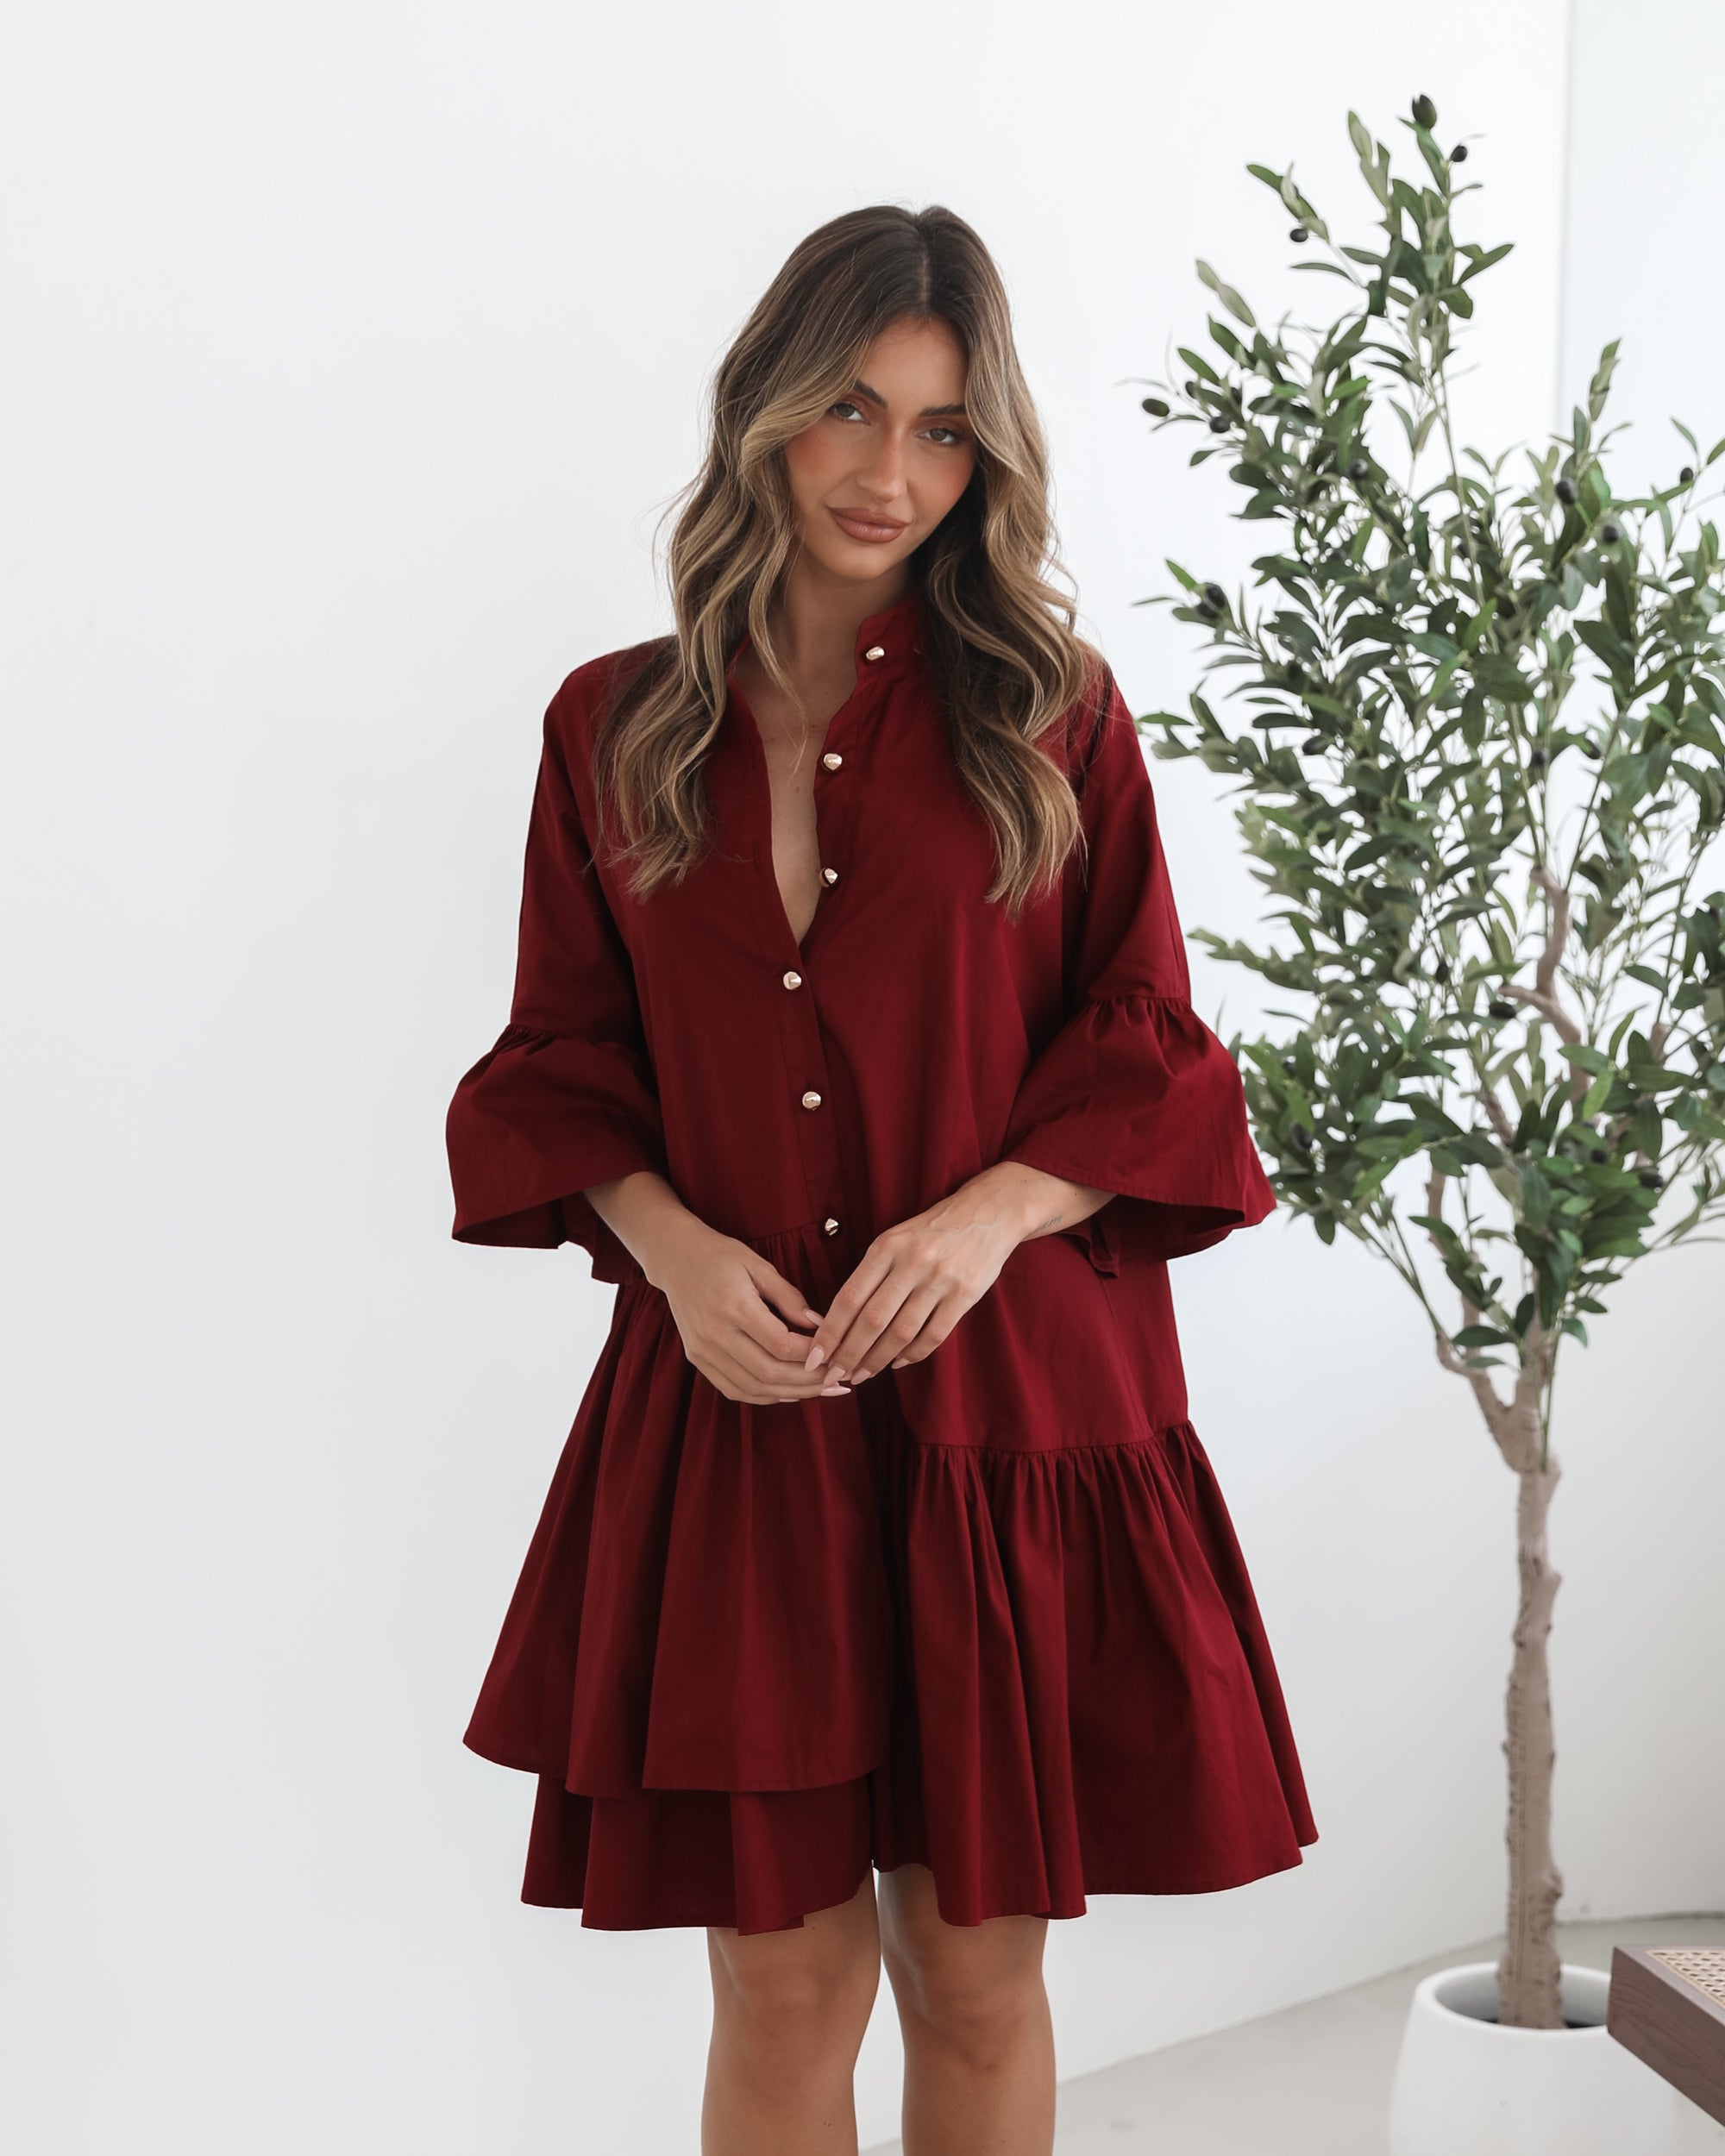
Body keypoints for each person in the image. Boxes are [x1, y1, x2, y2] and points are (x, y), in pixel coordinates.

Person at [445, 202, 1316, 2156]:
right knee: (775, 1974)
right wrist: (669, 1253)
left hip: (1006, 1413)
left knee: (977, 1967)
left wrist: (987, 1209)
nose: (889, 472)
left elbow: (1148, 1043)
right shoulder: (616, 725)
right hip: (741, 1414)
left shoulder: (1050, 713)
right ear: (767, 409)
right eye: (853, 407)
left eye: (941, 432)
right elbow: (562, 1063)